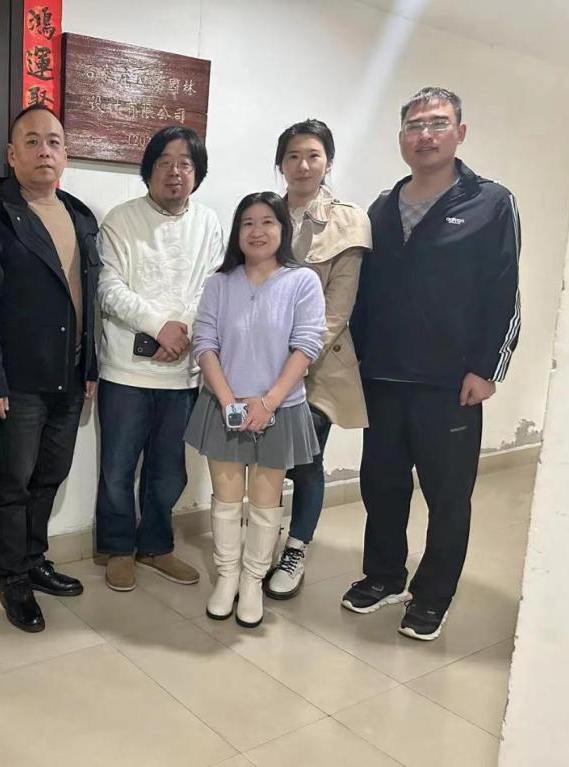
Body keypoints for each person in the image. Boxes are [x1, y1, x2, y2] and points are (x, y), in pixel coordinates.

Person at [343, 87, 521, 640]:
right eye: (415, 126)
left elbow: (504, 291)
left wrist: (487, 369)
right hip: (381, 377)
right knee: (382, 486)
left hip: (450, 384)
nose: (425, 135)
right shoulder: (382, 206)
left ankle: (433, 595)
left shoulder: (491, 202)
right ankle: (384, 575)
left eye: (438, 123)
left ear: (459, 133)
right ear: (401, 138)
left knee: (447, 497)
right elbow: (364, 294)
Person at [0, 104, 99, 632]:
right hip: (16, 382)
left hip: (69, 376)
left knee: (49, 476)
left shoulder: (80, 216)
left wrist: (91, 367)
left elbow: (90, 297)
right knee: (11, 484)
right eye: (33, 141)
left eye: (54, 142)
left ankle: (34, 558)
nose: (45, 151)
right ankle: (12, 577)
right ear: (12, 154)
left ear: (66, 154)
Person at [185, 191, 325, 628]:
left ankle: (252, 580)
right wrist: (229, 401)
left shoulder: (302, 281)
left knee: (266, 502)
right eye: (248, 223)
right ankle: (227, 576)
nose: (257, 231)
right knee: (226, 499)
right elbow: (205, 343)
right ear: (237, 232)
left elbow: (307, 345)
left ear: (283, 229)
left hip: (279, 408)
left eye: (268, 222)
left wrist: (267, 403)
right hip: (222, 404)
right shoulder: (220, 283)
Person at [95, 125, 224, 592]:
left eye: (185, 164)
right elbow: (108, 288)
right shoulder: (120, 220)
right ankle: (116, 548)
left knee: (169, 470)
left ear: (197, 173)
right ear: (148, 169)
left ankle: (155, 545)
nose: (175, 172)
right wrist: (158, 326)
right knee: (118, 468)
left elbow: (213, 285)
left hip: (182, 372)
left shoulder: (209, 223)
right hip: (125, 371)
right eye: (165, 162)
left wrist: (181, 331)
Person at [264, 119, 371, 600]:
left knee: (306, 461)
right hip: (260, 364)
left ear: (328, 161)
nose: (302, 165)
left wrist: (294, 365)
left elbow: (336, 311)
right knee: (264, 459)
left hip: (318, 367)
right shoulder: (264, 214)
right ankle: (263, 538)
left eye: (313, 155)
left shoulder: (349, 221)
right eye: (292, 156)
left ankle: (297, 547)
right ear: (280, 163)